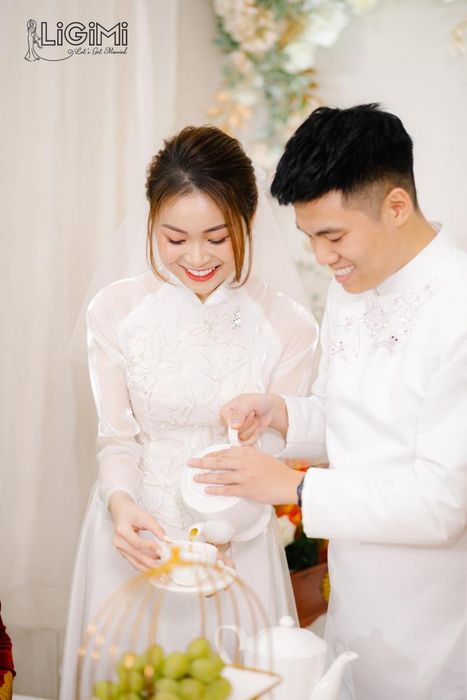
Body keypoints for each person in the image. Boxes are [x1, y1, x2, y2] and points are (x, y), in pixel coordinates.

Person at [190, 105, 467, 700]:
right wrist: (282, 413)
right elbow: (351, 418)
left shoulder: (458, 310)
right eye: (310, 237)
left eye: (333, 236)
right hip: (353, 595)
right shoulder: (353, 285)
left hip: (436, 614)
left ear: (397, 206)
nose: (321, 257)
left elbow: (444, 504)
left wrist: (294, 489)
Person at [60, 125, 318, 698]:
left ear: (248, 222)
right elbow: (117, 439)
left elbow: (271, 457)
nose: (196, 258)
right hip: (133, 537)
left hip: (236, 547)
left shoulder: (289, 325)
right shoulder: (115, 310)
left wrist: (222, 535)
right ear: (152, 223)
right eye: (174, 238)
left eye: (217, 238)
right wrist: (121, 506)